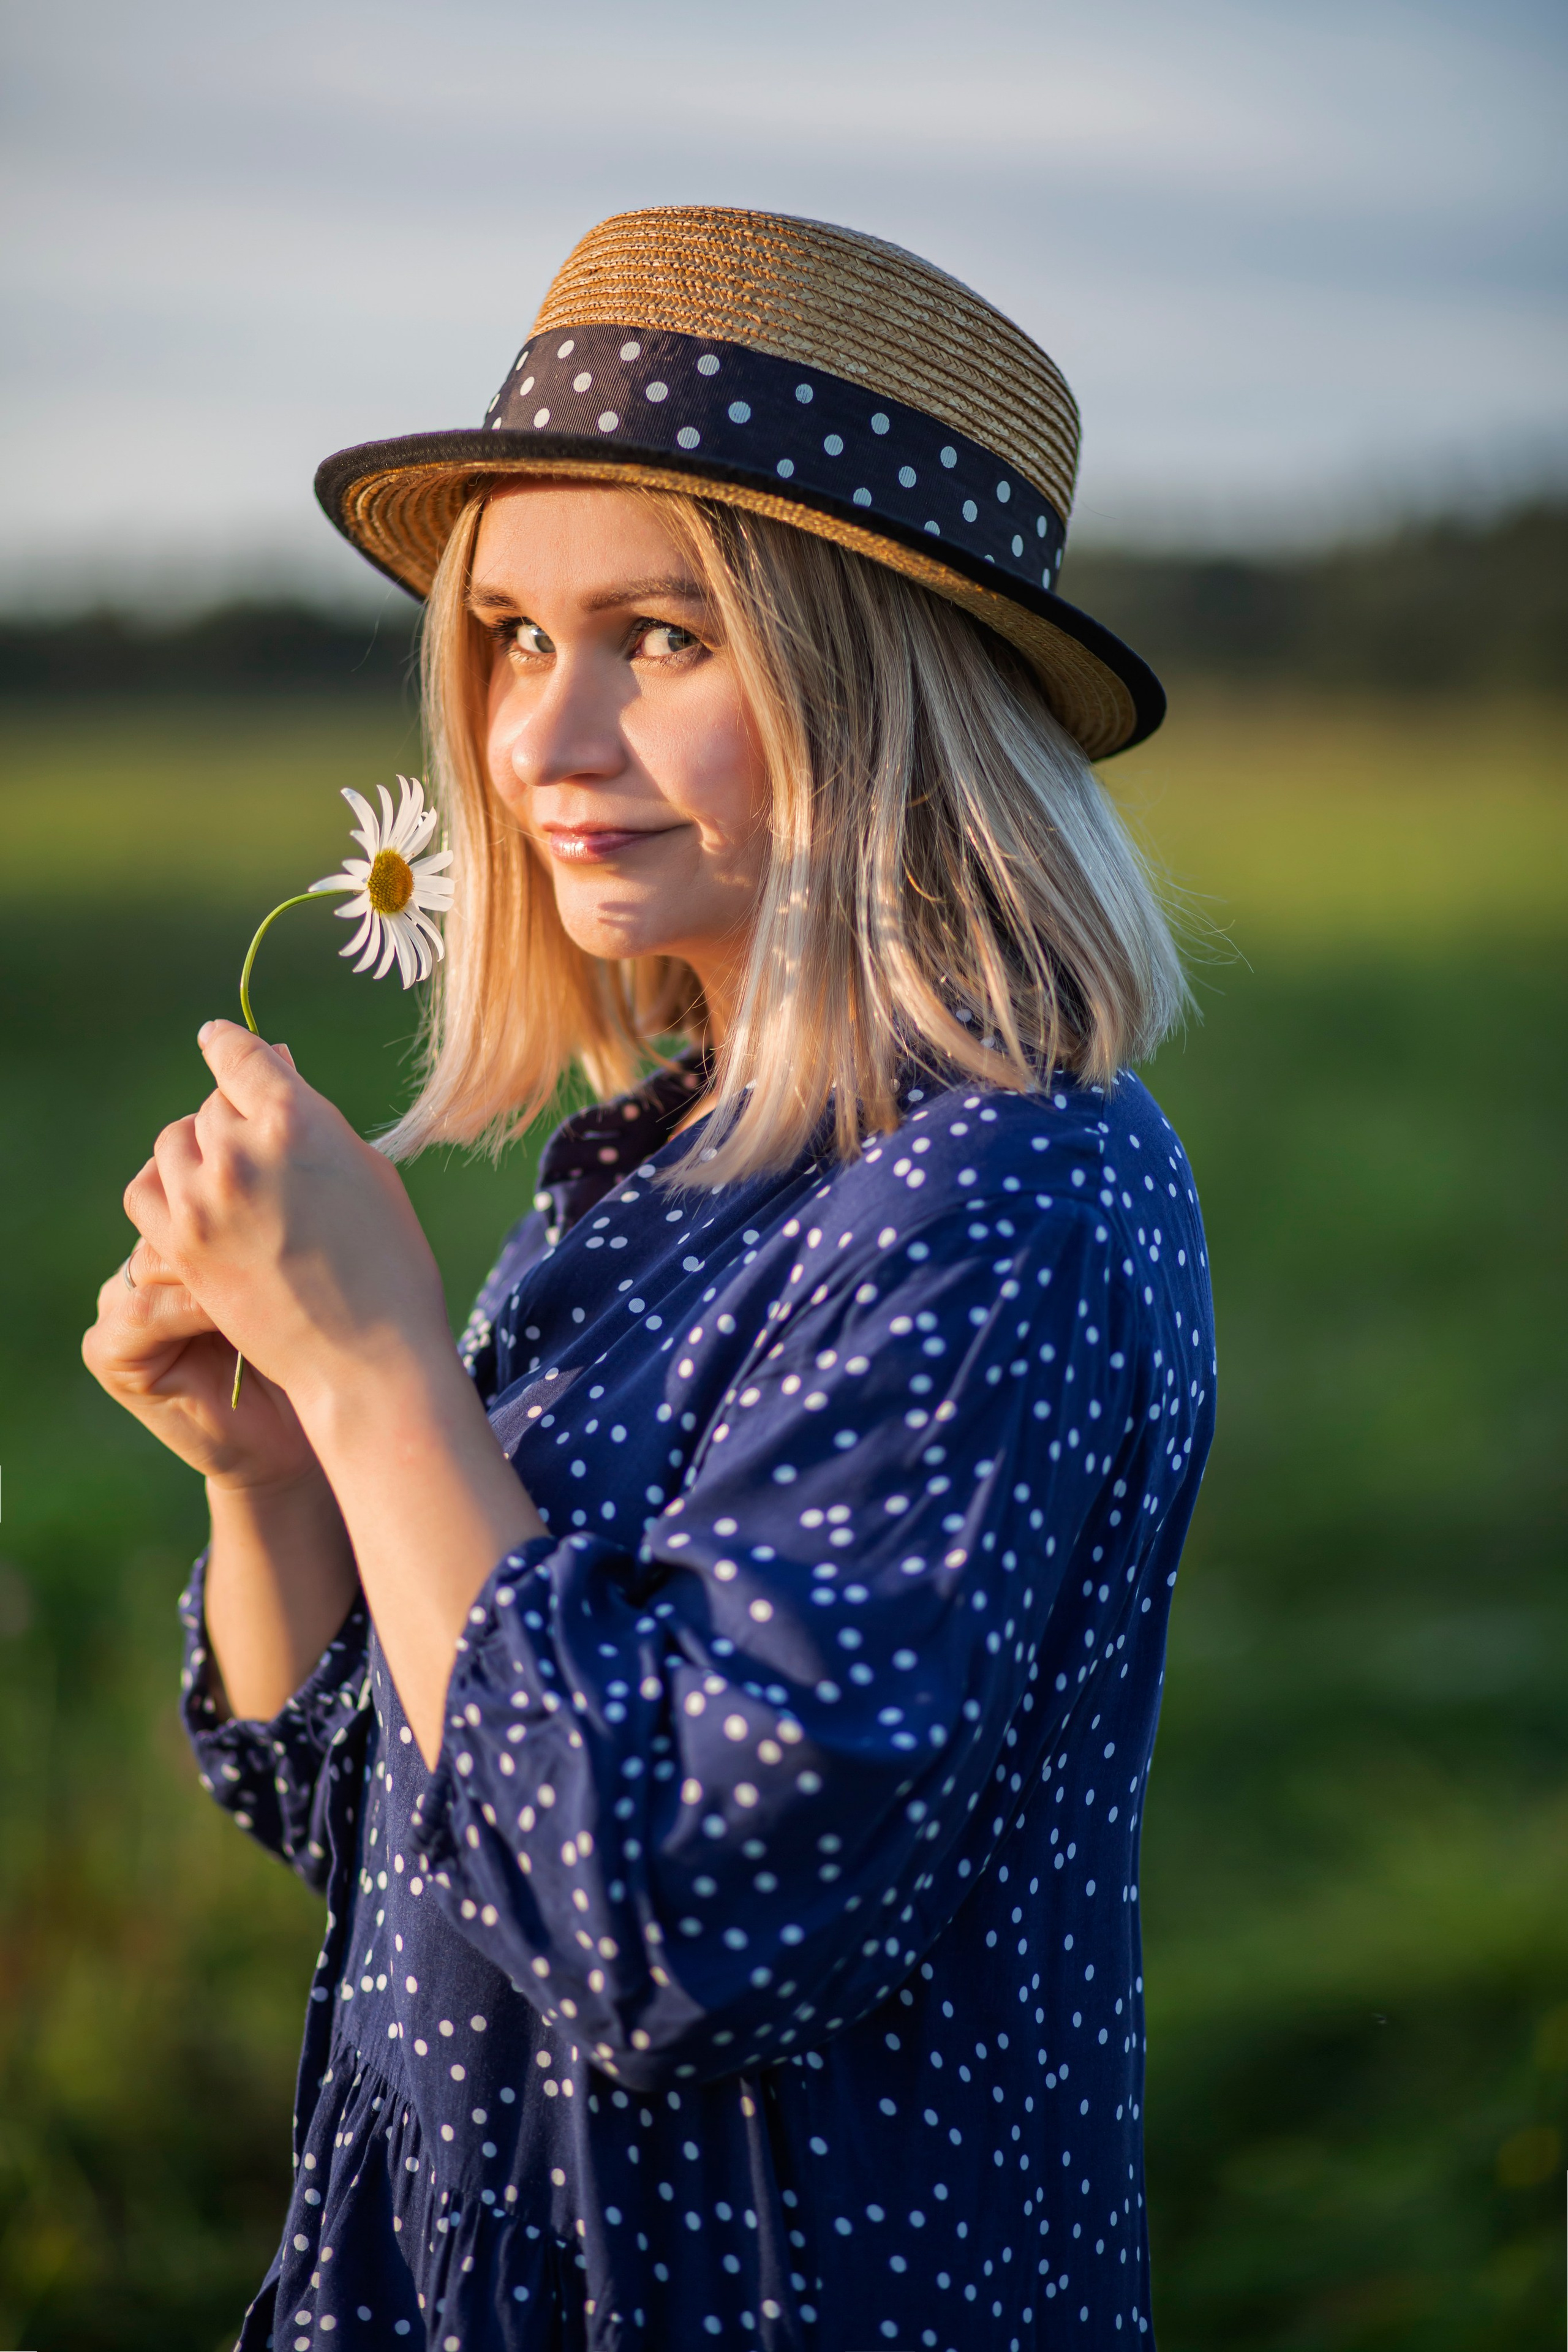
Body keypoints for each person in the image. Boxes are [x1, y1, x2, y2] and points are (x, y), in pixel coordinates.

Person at [83, 207, 1214, 2350]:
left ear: (884, 689)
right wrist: (277, 1459)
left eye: (665, 637)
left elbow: (666, 1913)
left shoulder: (1003, 1198)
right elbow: (400, 1817)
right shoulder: (665, 1166)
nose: (540, 740)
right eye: (511, 636)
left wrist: (385, 1366)